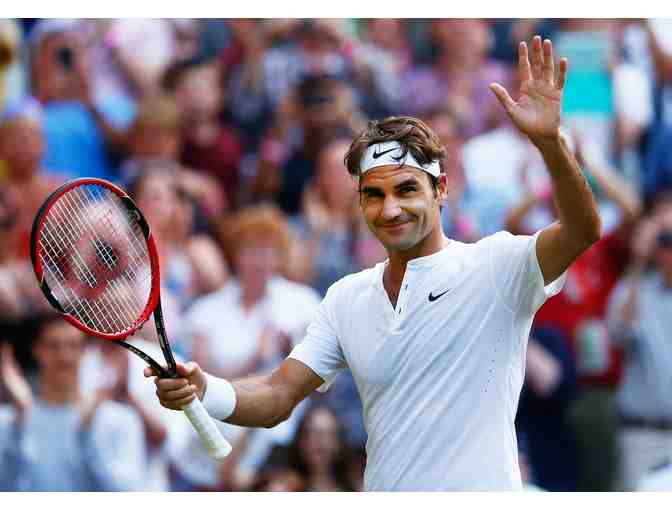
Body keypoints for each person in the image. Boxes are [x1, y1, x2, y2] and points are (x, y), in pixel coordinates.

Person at [148, 36, 602, 490]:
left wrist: (550, 144)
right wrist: (205, 388)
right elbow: (277, 395)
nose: (390, 209)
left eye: (406, 190)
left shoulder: (495, 265)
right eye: (374, 194)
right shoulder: (347, 297)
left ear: (441, 190)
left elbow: (582, 230)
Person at [0, 315, 147, 490]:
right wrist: (18, 426)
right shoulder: (9, 420)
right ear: (36, 350)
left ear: (85, 350)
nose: (65, 356)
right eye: (53, 346)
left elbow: (127, 492)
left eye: (73, 346)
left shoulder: (119, 419)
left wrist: (89, 433)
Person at [606, 219, 672, 490]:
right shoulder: (635, 289)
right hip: (643, 435)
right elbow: (618, 331)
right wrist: (639, 260)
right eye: (666, 243)